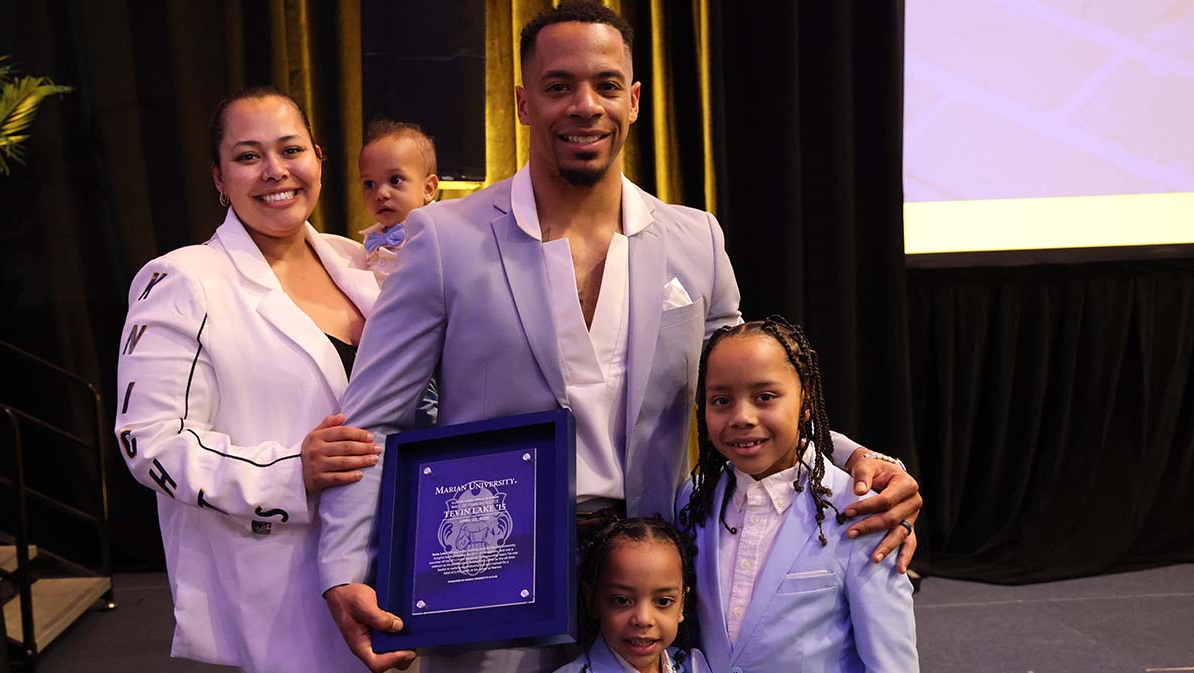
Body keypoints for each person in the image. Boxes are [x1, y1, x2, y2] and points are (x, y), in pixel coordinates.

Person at [318, 3, 920, 672]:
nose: (585, 106)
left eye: (606, 86)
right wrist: (344, 567)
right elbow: (370, 421)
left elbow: (745, 399)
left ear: (633, 101)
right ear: (522, 102)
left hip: (646, 587)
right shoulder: (443, 241)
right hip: (489, 586)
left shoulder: (696, 240)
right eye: (558, 86)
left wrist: (861, 457)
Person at [115, 85, 381, 673]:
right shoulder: (183, 280)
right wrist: (290, 472)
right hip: (282, 588)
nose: (275, 171)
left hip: (396, 559)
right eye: (247, 156)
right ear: (218, 177)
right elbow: (150, 443)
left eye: (291, 150)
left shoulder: (362, 264)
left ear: (319, 157)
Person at [678, 317, 919, 672]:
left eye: (765, 397)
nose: (741, 417)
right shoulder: (693, 500)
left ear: (805, 402)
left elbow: (891, 662)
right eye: (721, 400)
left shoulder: (860, 509)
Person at [553, 517, 710, 673]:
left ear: (681, 604)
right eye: (622, 600)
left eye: (663, 602)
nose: (643, 619)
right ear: (592, 601)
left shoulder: (695, 667)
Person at [357, 119, 440, 284]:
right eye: (369, 184)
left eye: (395, 180)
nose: (380, 194)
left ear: (428, 188)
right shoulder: (369, 240)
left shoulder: (438, 233)